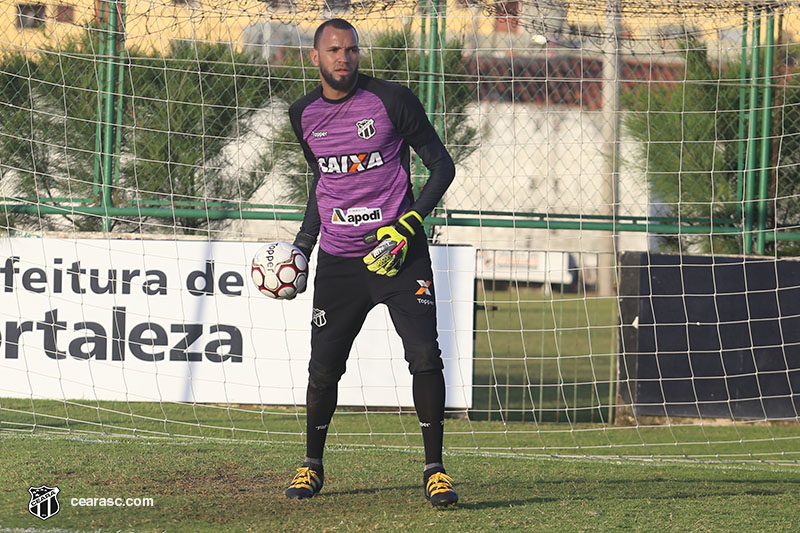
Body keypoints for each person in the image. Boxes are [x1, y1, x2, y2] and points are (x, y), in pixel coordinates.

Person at [284, 18, 458, 508]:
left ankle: (435, 469)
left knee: (425, 356)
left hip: (399, 255)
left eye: (352, 50)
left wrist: (411, 222)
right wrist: (303, 244)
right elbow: (322, 184)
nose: (345, 58)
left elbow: (442, 165)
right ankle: (311, 465)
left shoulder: (391, 100)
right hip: (340, 261)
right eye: (335, 50)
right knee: (324, 368)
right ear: (315, 58)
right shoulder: (302, 114)